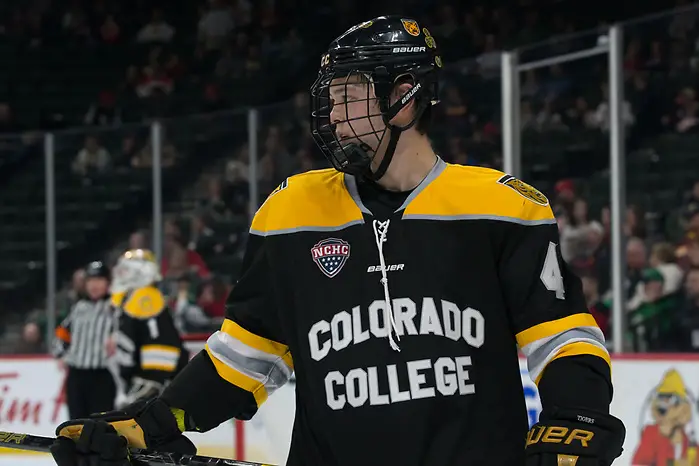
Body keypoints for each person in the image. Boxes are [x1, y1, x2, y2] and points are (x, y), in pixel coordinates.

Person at [49, 16, 625, 466]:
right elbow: (244, 358)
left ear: (404, 96)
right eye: (330, 100)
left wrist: (576, 412)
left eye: (348, 96)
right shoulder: (290, 210)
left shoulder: (501, 205)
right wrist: (155, 421)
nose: (332, 115)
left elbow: (561, 336)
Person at [108, 249, 188, 408]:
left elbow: (160, 341)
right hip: (142, 376)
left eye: (126, 270)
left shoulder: (146, 296)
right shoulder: (134, 295)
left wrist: (152, 379)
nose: (121, 274)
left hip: (149, 378)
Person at [52, 261, 116, 419]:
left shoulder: (115, 308)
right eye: (90, 281)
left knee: (100, 423)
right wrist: (61, 354)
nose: (94, 285)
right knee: (76, 422)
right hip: (76, 374)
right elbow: (62, 332)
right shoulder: (79, 308)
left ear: (108, 282)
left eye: (99, 280)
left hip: (103, 375)